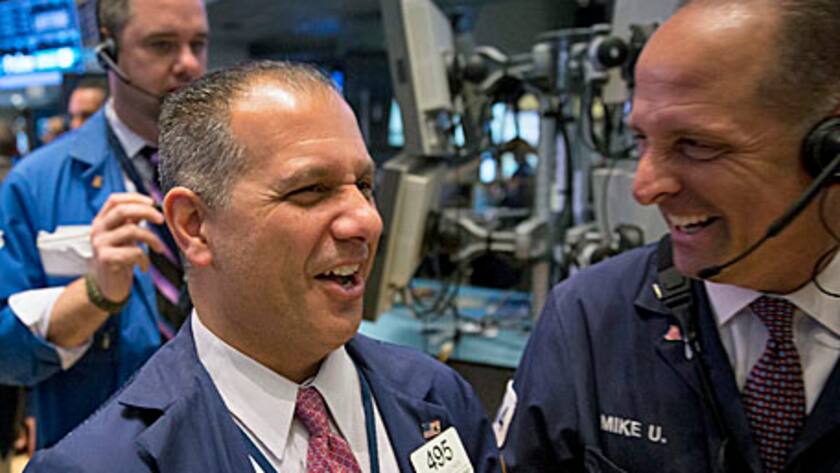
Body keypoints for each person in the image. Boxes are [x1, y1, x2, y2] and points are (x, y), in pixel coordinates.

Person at [24, 60, 499, 472]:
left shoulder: (439, 397)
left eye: (364, 184)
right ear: (194, 226)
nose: (366, 220)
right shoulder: (101, 464)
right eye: (311, 189)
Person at [498, 0, 839, 472]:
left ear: (829, 149)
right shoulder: (589, 320)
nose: (645, 187)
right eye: (640, 140)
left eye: (695, 145)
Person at [0, 0, 208, 449]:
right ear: (107, 51)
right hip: (97, 450)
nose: (189, 64)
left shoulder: (235, 170)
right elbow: (3, 354)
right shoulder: (34, 183)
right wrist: (94, 295)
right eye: (162, 45)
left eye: (199, 44)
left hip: (219, 445)